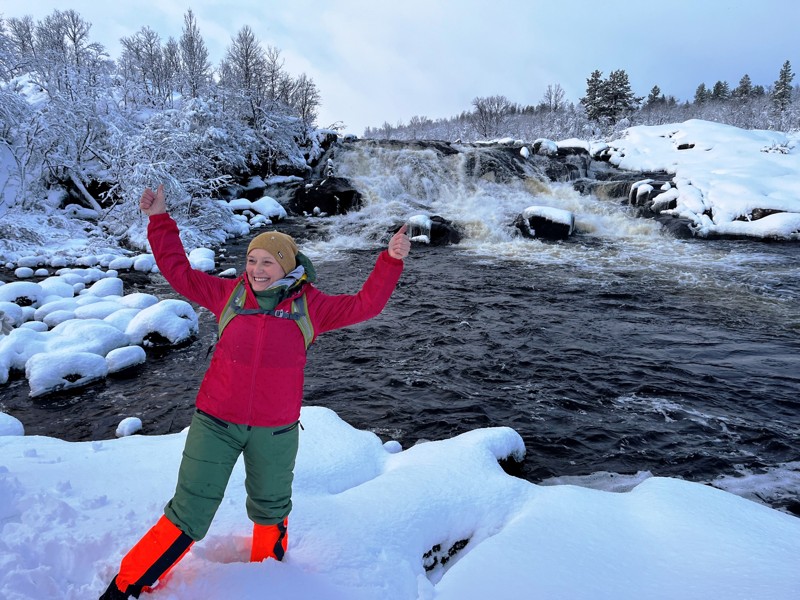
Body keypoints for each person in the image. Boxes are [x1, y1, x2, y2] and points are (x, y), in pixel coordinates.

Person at [100, 185, 410, 599]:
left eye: (268, 262)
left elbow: (365, 305)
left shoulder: (311, 306)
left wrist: (390, 261)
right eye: (251, 260)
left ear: (288, 267)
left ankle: (270, 581)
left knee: (271, 510)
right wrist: (159, 219)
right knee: (188, 512)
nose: (258, 269)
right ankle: (127, 585)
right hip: (215, 423)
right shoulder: (228, 294)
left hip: (276, 432)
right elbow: (179, 272)